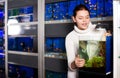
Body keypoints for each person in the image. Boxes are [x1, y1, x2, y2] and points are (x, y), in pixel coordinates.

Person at [65, 4, 109, 78]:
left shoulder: (100, 31)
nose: (84, 21)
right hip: (79, 74)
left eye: (87, 17)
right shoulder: (70, 37)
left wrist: (109, 39)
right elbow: (70, 66)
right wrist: (75, 63)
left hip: (98, 74)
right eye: (80, 18)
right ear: (74, 19)